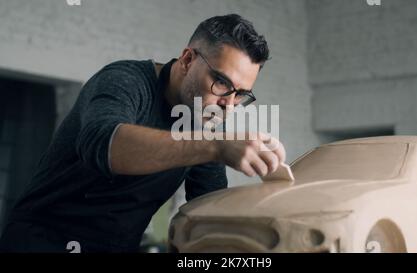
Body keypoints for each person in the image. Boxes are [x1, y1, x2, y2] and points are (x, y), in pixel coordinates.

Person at [0, 14, 285, 252]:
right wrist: (216, 145)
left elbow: (208, 207)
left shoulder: (206, 122)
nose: (228, 104)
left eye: (241, 95)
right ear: (187, 60)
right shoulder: (124, 81)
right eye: (222, 83)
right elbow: (105, 145)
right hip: (39, 242)